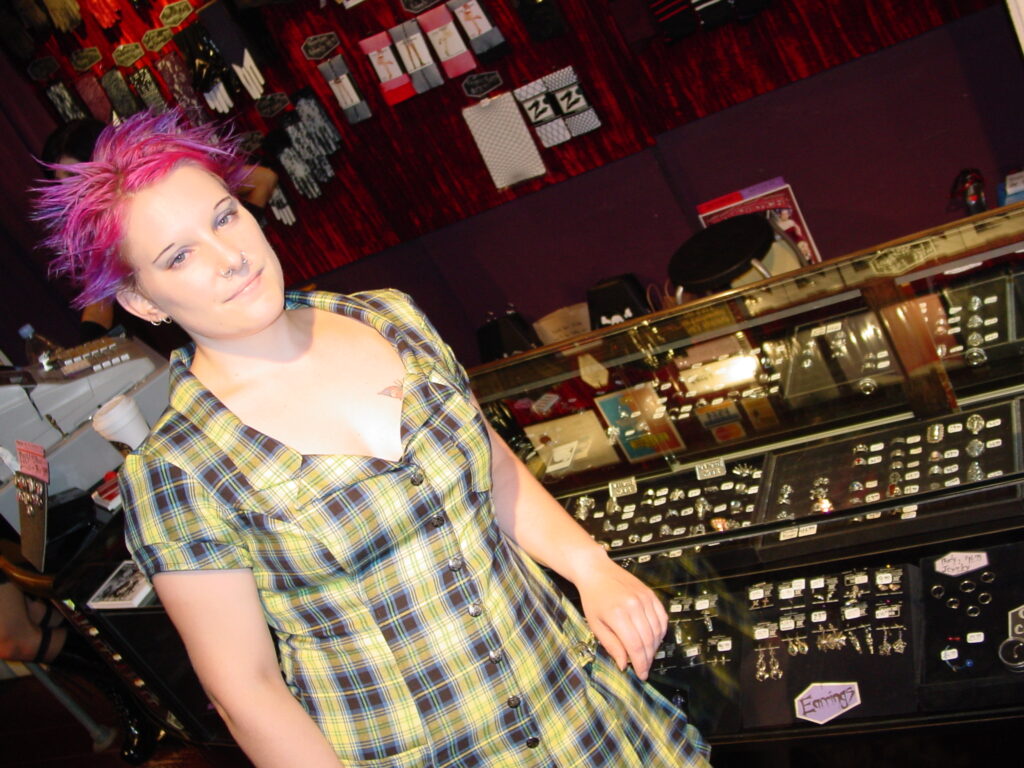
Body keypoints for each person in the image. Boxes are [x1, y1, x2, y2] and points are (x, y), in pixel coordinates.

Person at [34, 110, 711, 768]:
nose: (230, 258)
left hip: (574, 699)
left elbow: (492, 466)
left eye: (224, 217)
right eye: (179, 256)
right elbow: (248, 692)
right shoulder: (179, 470)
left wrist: (590, 566)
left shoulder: (389, 317)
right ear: (144, 300)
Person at [40, 117, 279, 343]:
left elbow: (263, 179)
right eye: (179, 257)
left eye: (225, 218)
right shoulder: (103, 239)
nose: (77, 196)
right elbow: (98, 306)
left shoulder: (173, 180)